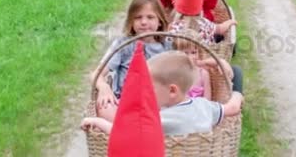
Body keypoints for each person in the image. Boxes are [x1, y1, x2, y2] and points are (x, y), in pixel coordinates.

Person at [81, 51, 243, 136]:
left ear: (172, 90)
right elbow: (233, 107)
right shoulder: (204, 106)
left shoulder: (163, 119)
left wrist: (96, 121)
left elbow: (122, 132)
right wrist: (238, 94)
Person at [90, 0, 171, 122]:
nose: (144, 22)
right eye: (138, 17)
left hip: (158, 102)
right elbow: (96, 74)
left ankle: (143, 128)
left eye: (150, 17)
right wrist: (104, 88)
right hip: (126, 102)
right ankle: (128, 127)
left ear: (160, 21)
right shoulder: (124, 44)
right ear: (131, 21)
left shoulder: (167, 45)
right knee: (104, 107)